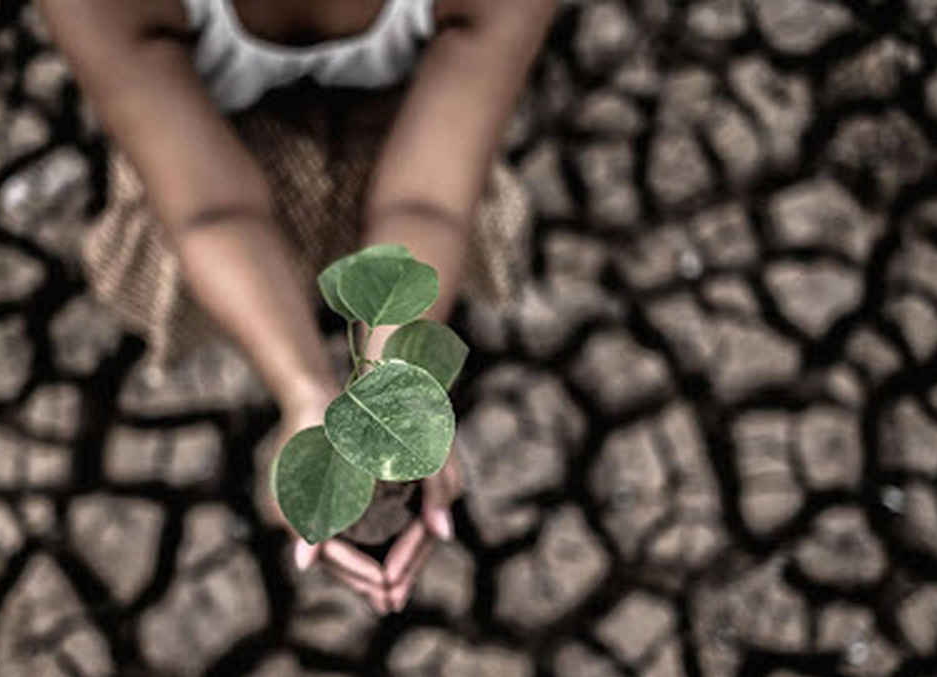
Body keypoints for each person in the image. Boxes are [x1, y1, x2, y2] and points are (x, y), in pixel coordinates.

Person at [39, 0, 554, 610]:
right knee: (196, 242)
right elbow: (210, 212)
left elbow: (428, 203)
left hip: (405, 125)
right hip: (211, 140)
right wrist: (304, 393)